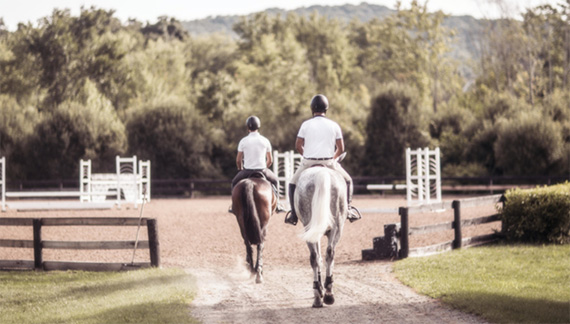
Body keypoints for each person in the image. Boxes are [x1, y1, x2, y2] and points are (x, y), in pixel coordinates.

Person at [284, 94, 361, 225]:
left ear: (312, 109)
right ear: (326, 108)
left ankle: (293, 214)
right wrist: (333, 159)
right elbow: (341, 148)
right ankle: (348, 210)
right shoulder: (334, 125)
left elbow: (298, 145)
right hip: (329, 162)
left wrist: (306, 155)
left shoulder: (306, 124)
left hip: (308, 162)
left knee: (292, 183)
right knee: (348, 180)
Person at [230, 116, 284, 213]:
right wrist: (265, 168)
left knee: (234, 182)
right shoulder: (265, 140)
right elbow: (270, 160)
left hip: (246, 171)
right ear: (258, 126)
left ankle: (233, 206)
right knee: (276, 181)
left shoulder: (243, 141)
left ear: (248, 127)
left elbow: (238, 160)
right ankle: (278, 205)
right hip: (262, 170)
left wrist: (240, 169)